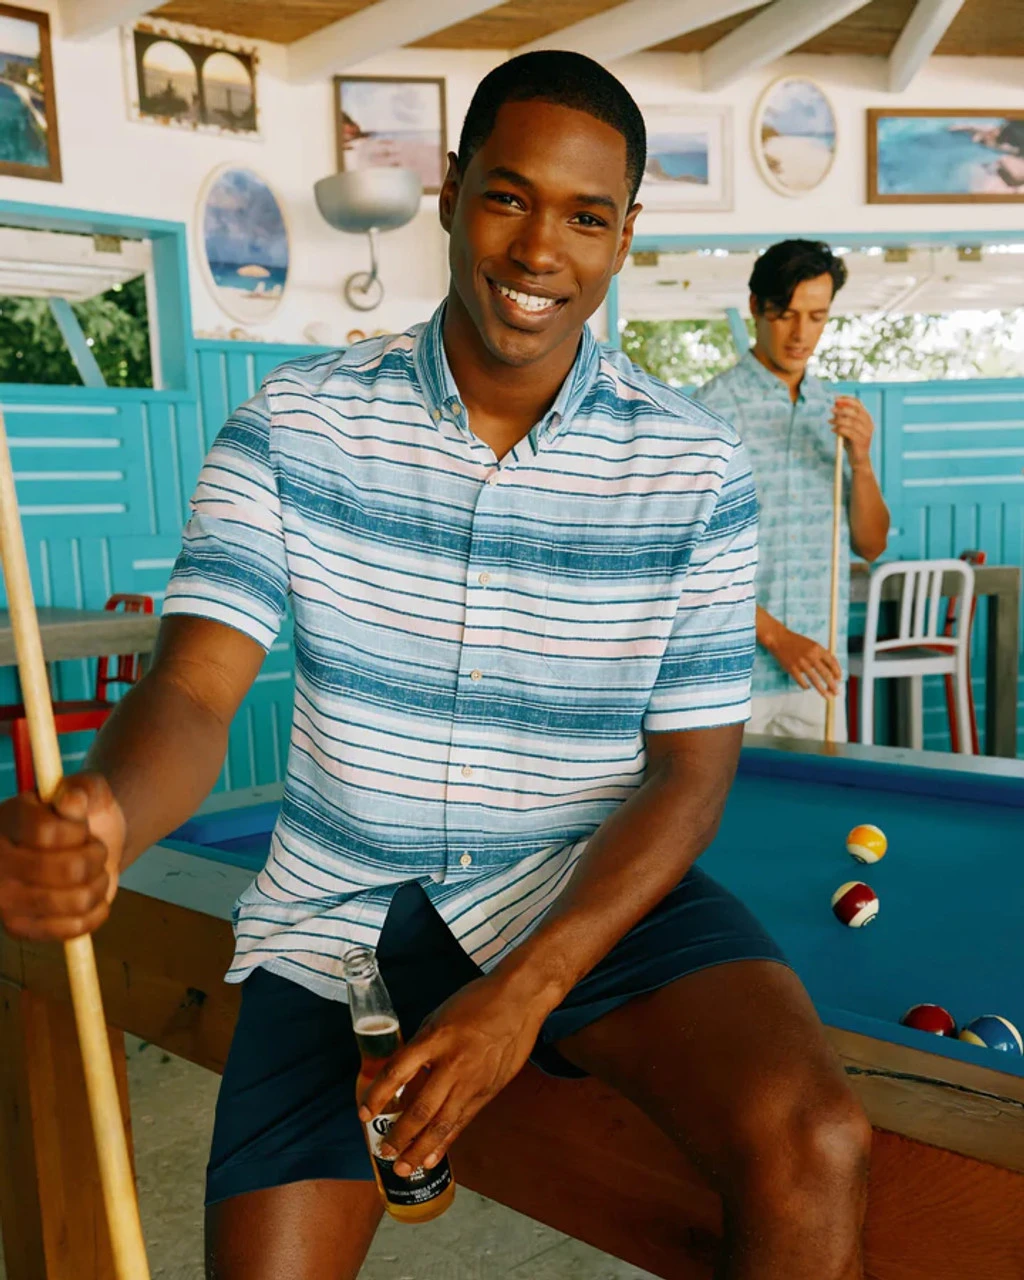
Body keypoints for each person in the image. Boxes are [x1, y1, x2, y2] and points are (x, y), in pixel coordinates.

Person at [0, 54, 871, 1280]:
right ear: (453, 191)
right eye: (509, 197)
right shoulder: (289, 422)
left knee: (815, 1138)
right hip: (337, 913)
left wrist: (520, 997)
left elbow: (688, 773)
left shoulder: (695, 472)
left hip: (584, 891)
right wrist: (107, 813)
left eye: (583, 216)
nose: (537, 251)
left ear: (625, 235)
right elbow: (196, 690)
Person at [696, 240, 890, 742]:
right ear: (756, 308)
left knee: (822, 816)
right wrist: (778, 638)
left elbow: (871, 545)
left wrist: (863, 461)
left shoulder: (838, 412)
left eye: (818, 316)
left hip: (817, 674)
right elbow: (689, 559)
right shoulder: (710, 410)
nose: (802, 333)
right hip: (727, 674)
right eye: (786, 314)